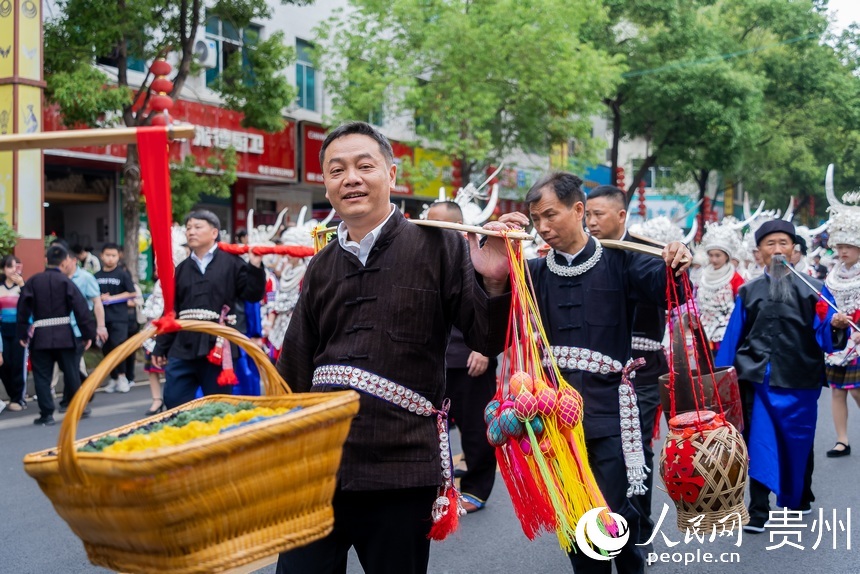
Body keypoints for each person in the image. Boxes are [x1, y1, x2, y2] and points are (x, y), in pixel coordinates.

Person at [274, 121, 511, 574]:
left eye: (365, 166)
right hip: (319, 470)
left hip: (401, 469)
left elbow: (485, 337)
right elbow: (295, 367)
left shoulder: (440, 246)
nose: (351, 178)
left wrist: (495, 279)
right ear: (326, 186)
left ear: (392, 175)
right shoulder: (321, 264)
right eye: (337, 170)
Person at [502, 173, 691, 574]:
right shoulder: (533, 271)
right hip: (553, 416)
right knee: (574, 512)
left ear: (578, 210)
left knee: (615, 509)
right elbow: (492, 305)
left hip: (610, 412)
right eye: (536, 220)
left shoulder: (621, 260)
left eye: (550, 215)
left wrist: (677, 260)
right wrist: (488, 249)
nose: (543, 227)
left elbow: (668, 287)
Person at [715, 220, 847, 533]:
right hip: (756, 378)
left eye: (783, 244)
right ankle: (758, 509)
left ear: (795, 250)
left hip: (800, 380)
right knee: (757, 441)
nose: (777, 250)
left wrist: (836, 325)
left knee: (798, 440)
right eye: (770, 244)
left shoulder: (813, 287)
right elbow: (734, 337)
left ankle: (799, 497)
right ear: (758, 251)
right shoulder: (748, 291)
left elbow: (826, 332)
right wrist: (723, 379)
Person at [585, 185, 668, 549]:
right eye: (586, 215)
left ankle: (639, 530)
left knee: (638, 451)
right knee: (595, 451)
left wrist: (677, 259)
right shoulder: (583, 254)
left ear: (621, 216)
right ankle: (601, 523)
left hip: (643, 372)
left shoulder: (646, 254)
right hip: (595, 374)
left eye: (598, 214)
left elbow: (664, 285)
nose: (590, 222)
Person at [152, 210, 266, 408]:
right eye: (188, 228)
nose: (191, 232)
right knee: (174, 401)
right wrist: (161, 346)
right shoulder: (181, 269)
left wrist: (255, 267)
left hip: (219, 345)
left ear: (214, 233)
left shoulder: (232, 263)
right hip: (183, 345)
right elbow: (171, 310)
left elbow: (252, 295)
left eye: (197, 227)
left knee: (218, 406)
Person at [427, 200, 498, 514]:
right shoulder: (421, 257)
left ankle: (476, 490)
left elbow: (496, 310)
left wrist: (483, 350)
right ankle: (436, 488)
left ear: (459, 227)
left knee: (475, 431)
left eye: (442, 225)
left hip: (470, 359)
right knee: (431, 431)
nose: (434, 231)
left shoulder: (477, 257)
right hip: (432, 363)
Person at [17, 244, 96, 426]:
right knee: (71, 372)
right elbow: (81, 308)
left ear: (47, 260)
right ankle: (78, 408)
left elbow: (22, 308)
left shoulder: (34, 281)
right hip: (64, 334)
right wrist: (87, 334)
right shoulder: (67, 282)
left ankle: (46, 414)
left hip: (41, 335)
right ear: (65, 262)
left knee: (42, 376)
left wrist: (22, 333)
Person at [820, 210, 860, 458]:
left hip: (858, 341)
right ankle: (842, 440)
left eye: (849, 246)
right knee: (837, 390)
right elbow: (823, 303)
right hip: (839, 341)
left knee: (857, 390)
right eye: (840, 246)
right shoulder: (832, 275)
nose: (843, 251)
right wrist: (833, 320)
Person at [55, 251, 108, 411]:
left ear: (73, 260)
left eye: (64, 261)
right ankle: (80, 391)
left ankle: (73, 400)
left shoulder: (86, 278)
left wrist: (100, 326)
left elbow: (97, 303)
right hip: (61, 330)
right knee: (68, 366)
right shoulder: (59, 278)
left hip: (79, 329)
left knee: (71, 365)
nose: (62, 265)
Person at [696, 222, 745, 350]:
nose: (714, 259)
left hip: (726, 332)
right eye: (711, 255)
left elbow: (741, 306)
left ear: (727, 256)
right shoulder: (702, 275)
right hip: (703, 329)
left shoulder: (735, 278)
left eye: (718, 255)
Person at [95, 243, 136, 393]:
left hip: (120, 317)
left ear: (118, 257)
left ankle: (123, 376)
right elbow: (92, 296)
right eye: (107, 255)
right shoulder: (96, 276)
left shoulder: (122, 274)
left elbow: (132, 293)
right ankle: (113, 378)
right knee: (106, 349)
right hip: (103, 319)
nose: (110, 259)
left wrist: (112, 298)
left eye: (114, 256)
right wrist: (100, 298)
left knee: (118, 347)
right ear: (102, 256)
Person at [0, 255, 26, 411]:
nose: (12, 270)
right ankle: (12, 394)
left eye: (16, 266)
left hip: (19, 329)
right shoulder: (0, 287)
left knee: (18, 363)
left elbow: (29, 304)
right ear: (3, 269)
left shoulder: (24, 286)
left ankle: (18, 398)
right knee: (4, 364)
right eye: (9, 266)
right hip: (3, 330)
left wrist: (22, 286)